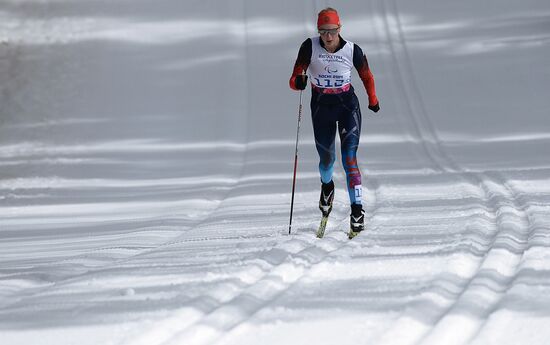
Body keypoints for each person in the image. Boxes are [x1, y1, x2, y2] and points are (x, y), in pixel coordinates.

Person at [289, 7, 380, 239]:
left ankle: (357, 210)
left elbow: (367, 76)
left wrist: (373, 99)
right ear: (318, 31)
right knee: (327, 161)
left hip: (347, 106)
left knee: (349, 158)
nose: (328, 36)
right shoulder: (309, 46)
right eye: (323, 31)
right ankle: (327, 186)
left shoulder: (352, 50)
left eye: (332, 31)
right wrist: (298, 81)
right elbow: (295, 76)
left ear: (340, 29)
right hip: (321, 108)